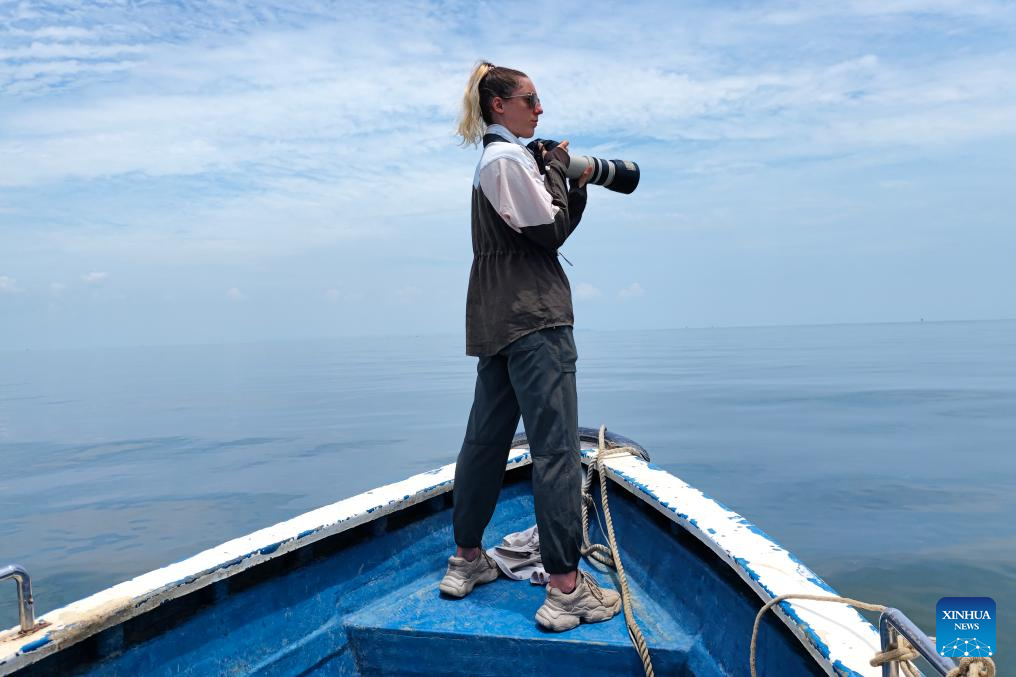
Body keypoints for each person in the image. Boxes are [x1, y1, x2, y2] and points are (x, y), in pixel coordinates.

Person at [438, 61, 622, 632]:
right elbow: (548, 233)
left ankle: (467, 561)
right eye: (530, 100)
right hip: (534, 318)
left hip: (494, 317)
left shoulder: (492, 162)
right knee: (556, 451)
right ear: (500, 105)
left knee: (485, 442)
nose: (539, 110)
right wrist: (572, 179)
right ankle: (567, 589)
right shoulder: (507, 159)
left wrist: (558, 177)